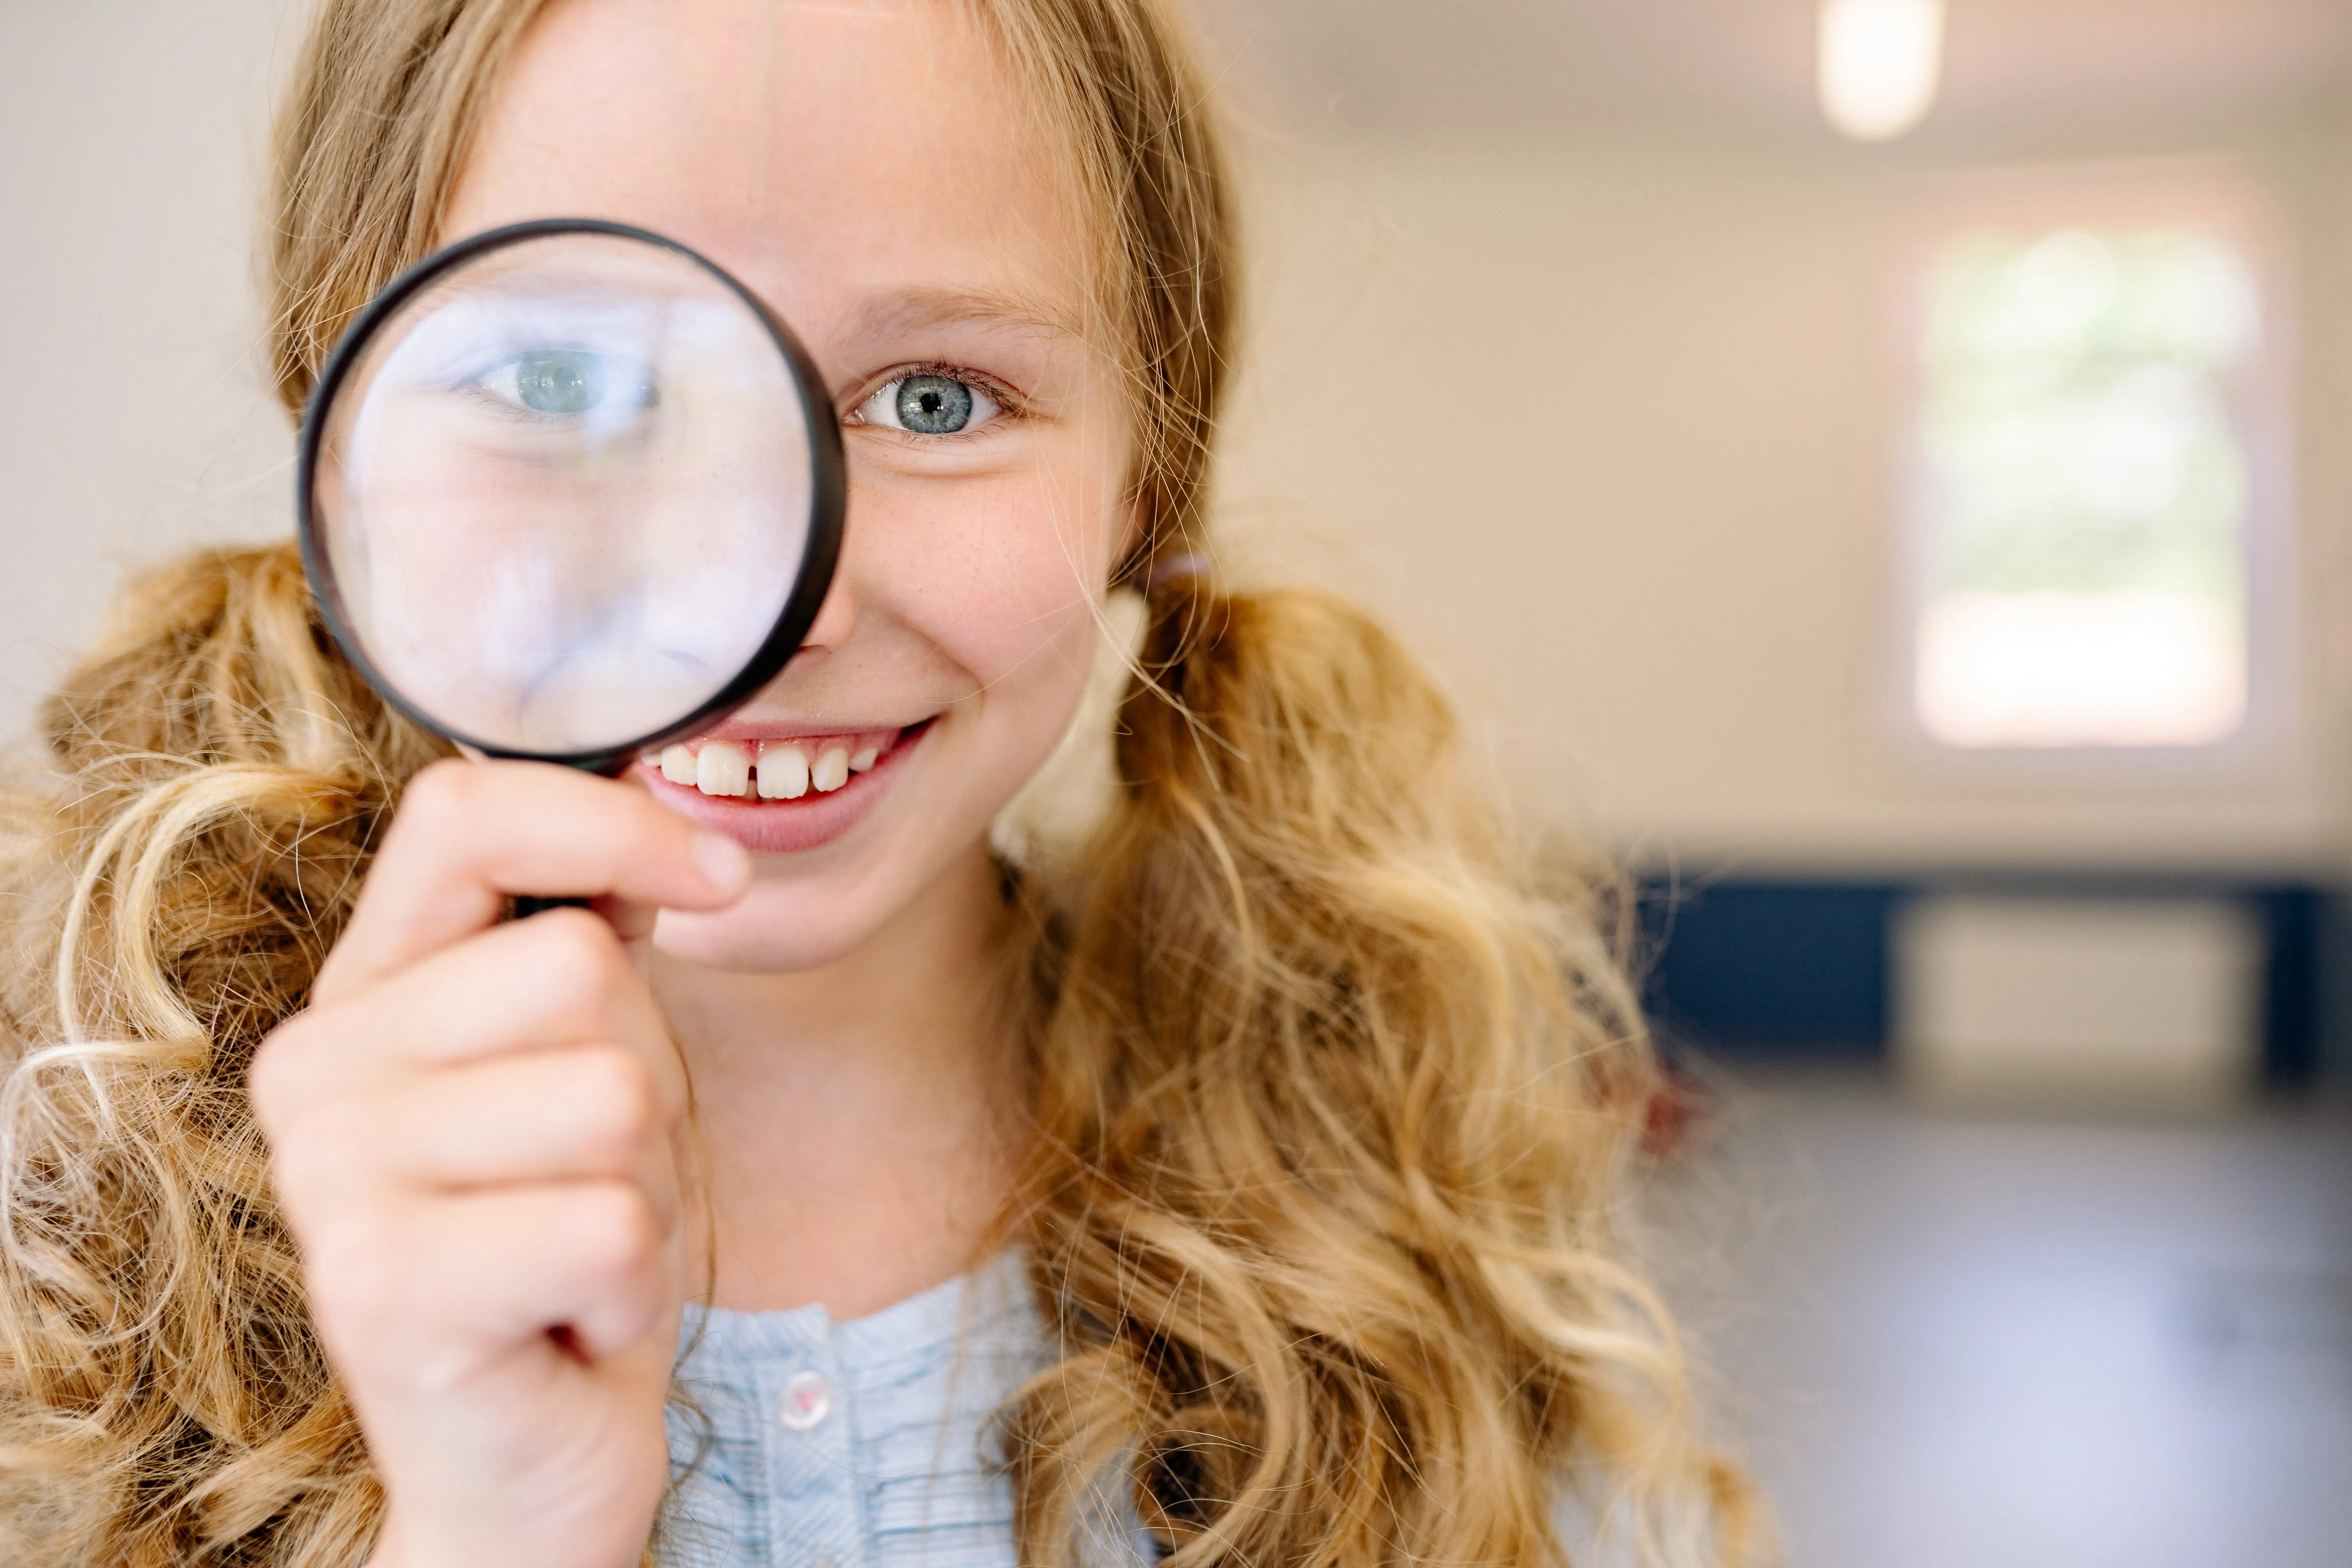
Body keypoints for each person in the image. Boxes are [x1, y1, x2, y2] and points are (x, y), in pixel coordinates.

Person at [0, 2, 1760, 1565]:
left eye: (933, 398)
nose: (778, 610)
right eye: (556, 379)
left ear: (1152, 479)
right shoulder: (70, 1242)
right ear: (349, 437)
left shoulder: (1401, 1223)